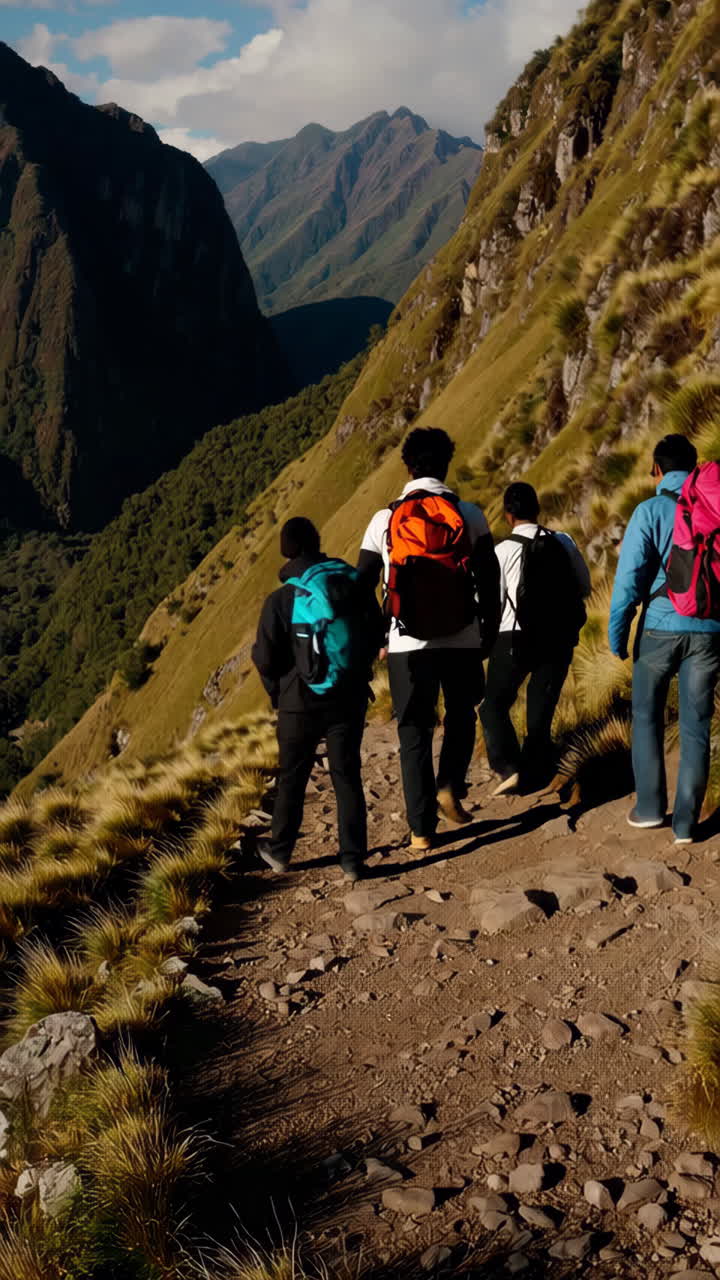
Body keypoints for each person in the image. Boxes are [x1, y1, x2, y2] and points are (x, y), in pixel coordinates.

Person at [358, 427, 500, 851]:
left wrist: (378, 631)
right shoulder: (470, 515)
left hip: (407, 645)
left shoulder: (384, 520)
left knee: (413, 733)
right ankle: (449, 784)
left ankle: (421, 831)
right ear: (445, 465)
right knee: (461, 715)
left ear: (407, 467)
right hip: (461, 639)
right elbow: (491, 581)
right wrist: (487, 635)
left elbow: (362, 582)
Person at [252, 516, 384, 883]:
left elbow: (264, 657)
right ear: (317, 542)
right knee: (347, 775)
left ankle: (279, 851)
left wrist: (278, 691)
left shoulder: (281, 600)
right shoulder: (350, 585)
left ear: (286, 551)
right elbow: (376, 629)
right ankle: (354, 860)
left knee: (293, 775)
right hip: (349, 694)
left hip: (298, 701)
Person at [608, 434, 720, 843]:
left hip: (657, 629)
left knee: (647, 718)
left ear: (657, 469)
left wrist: (617, 636)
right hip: (709, 628)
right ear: (694, 467)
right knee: (695, 726)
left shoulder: (650, 510)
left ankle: (651, 808)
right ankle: (687, 825)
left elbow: (627, 583)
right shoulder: (712, 508)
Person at [480, 482, 591, 795]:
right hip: (558, 638)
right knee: (540, 709)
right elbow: (584, 586)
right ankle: (540, 772)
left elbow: (492, 603)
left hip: (514, 638)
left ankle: (508, 767)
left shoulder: (502, 551)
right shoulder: (563, 541)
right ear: (536, 509)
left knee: (493, 706)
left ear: (508, 515)